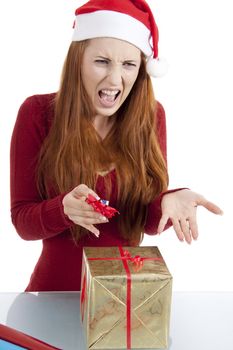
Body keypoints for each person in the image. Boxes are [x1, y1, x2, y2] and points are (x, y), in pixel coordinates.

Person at [10, 0, 223, 292]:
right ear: (78, 61)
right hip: (52, 295)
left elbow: (144, 221)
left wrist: (168, 201)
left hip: (121, 300)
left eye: (128, 64)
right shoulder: (37, 113)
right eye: (101, 61)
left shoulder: (152, 116)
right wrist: (63, 209)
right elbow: (23, 221)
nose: (114, 79)